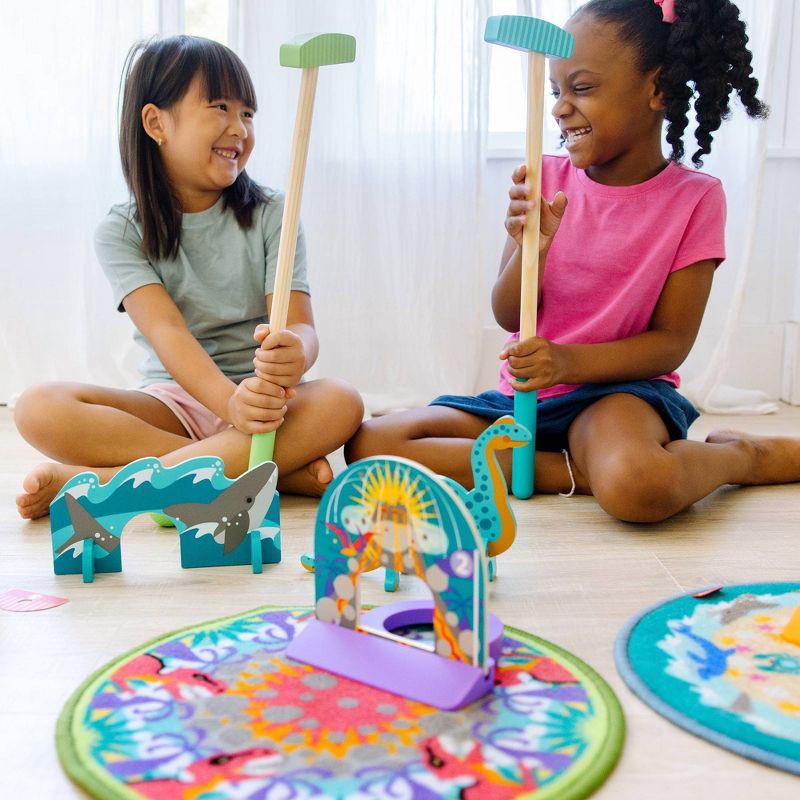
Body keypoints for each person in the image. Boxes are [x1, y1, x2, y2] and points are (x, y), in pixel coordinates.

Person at [346, 0, 800, 523]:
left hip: (618, 397)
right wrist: (529, 250)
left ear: (656, 90)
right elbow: (507, 314)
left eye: (581, 88)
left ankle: (737, 456)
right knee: (373, 445)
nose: (561, 107)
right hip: (527, 397)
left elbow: (670, 344)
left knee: (637, 488)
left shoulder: (695, 199)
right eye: (556, 91)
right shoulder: (545, 178)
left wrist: (567, 362)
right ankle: (574, 471)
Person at [15, 35, 363, 520]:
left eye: (247, 113)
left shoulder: (273, 214)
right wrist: (228, 403)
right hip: (177, 402)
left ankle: (113, 485)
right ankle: (264, 469)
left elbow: (302, 325)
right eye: (219, 107)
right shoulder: (121, 230)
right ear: (156, 123)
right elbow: (167, 333)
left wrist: (297, 352)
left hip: (267, 404)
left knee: (342, 401)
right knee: (37, 406)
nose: (238, 128)